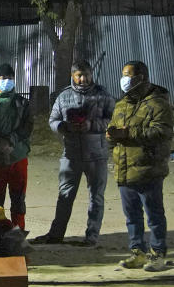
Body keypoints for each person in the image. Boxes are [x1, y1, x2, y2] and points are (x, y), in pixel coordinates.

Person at [34, 60, 115, 245]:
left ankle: (92, 236)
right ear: (73, 76)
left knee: (96, 197)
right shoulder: (63, 97)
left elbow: (112, 121)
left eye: (86, 74)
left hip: (96, 155)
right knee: (65, 196)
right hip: (70, 155)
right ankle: (56, 234)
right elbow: (52, 120)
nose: (83, 78)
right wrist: (63, 126)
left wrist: (92, 125)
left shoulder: (103, 95)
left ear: (91, 74)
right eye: (79, 75)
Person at [108, 61, 174, 272]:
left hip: (148, 170)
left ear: (142, 77)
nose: (124, 79)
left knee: (154, 215)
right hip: (124, 170)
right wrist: (111, 136)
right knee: (132, 217)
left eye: (128, 75)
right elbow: (114, 135)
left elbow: (161, 133)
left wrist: (128, 134)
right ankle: (137, 251)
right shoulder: (121, 105)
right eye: (123, 75)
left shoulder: (158, 103)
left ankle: (158, 254)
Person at [0, 63, 33, 231]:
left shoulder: (22, 103)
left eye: (10, 78)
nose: (6, 81)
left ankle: (17, 235)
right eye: (3, 78)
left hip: (17, 157)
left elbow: (26, 128)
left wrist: (10, 141)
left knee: (18, 199)